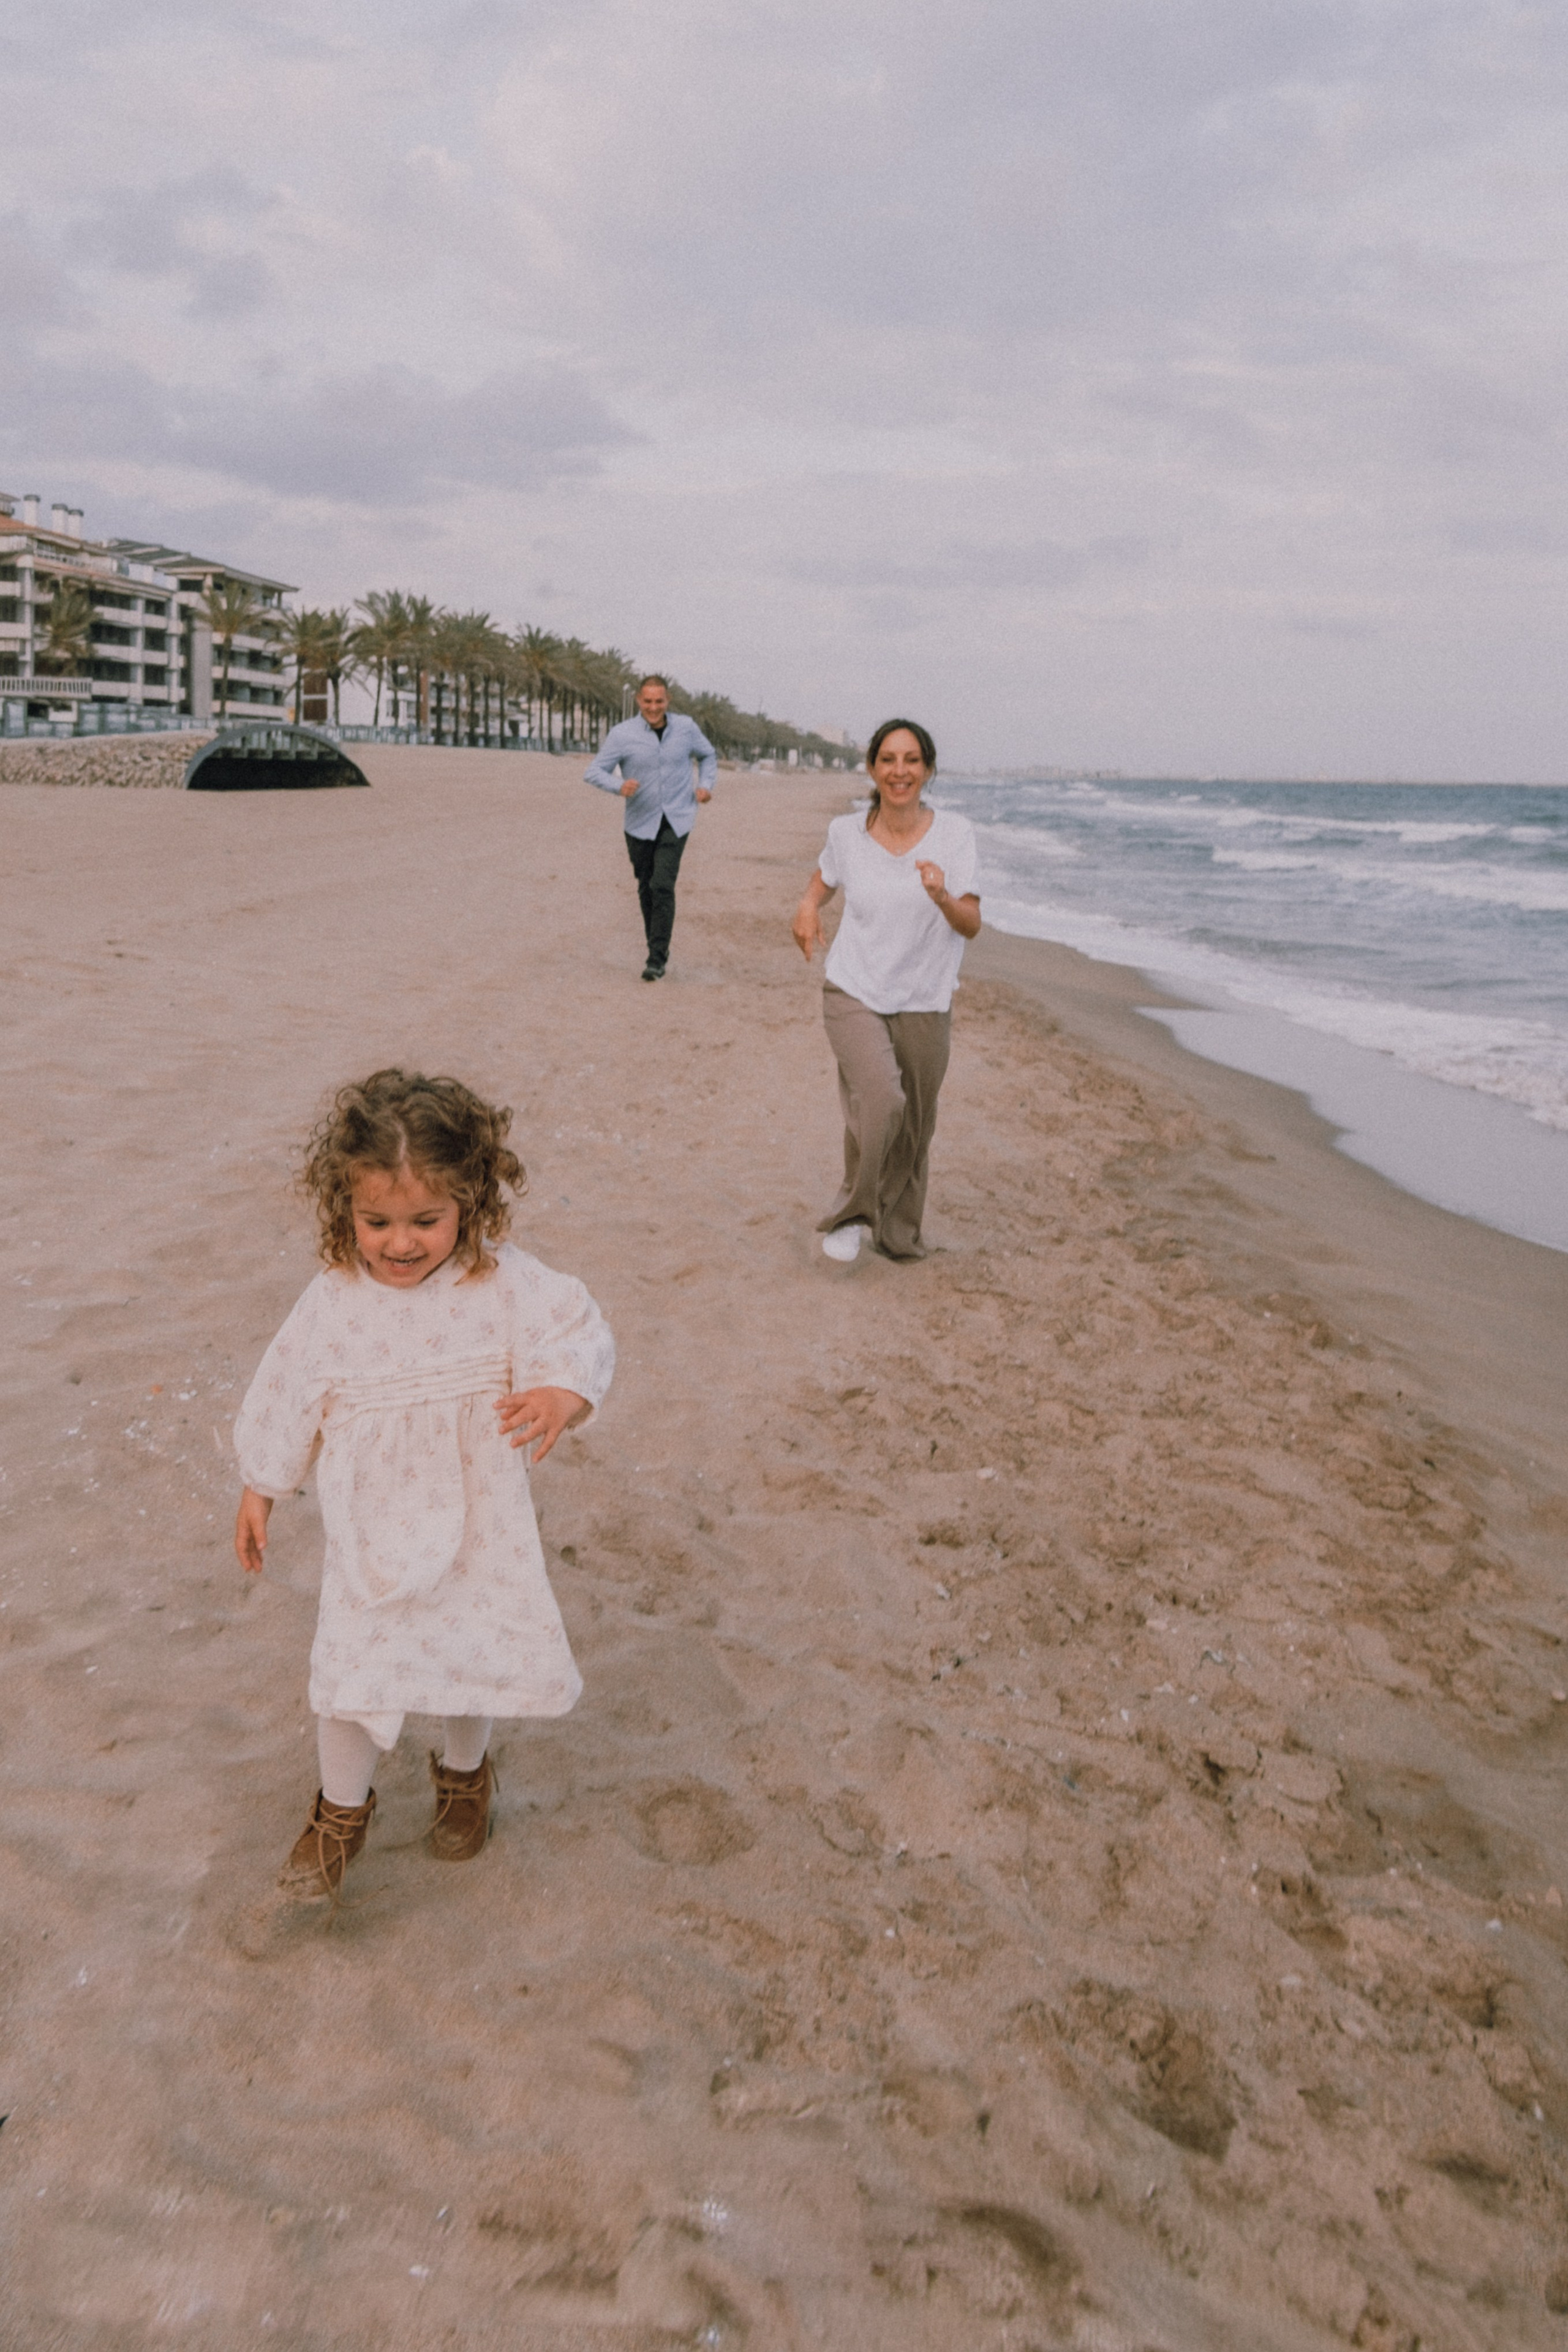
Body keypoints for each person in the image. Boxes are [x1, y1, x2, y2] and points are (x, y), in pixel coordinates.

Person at [232, 1068, 614, 1906]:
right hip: (371, 1532)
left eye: (425, 1222)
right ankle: (340, 1812)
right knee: (349, 1669)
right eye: (376, 1222)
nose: (399, 1243)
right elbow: (286, 1389)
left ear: (470, 1207)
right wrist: (262, 1484)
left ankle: (466, 1776)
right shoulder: (333, 1301)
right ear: (345, 1212)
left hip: (478, 1522)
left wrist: (562, 1394)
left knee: (465, 1649)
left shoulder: (501, 1281)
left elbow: (576, 1329)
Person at [792, 718, 980, 1262]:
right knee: (880, 1100)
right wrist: (807, 907)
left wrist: (943, 895)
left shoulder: (955, 835)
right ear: (873, 768)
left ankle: (899, 1234)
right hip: (854, 988)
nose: (901, 771)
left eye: (912, 760)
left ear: (928, 770)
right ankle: (852, 1213)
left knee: (915, 1128)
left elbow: (970, 923)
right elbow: (822, 880)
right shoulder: (845, 832)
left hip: (925, 997)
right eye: (889, 760)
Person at [585, 674, 717, 981]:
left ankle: (657, 958)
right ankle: (656, 947)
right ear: (639, 701)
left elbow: (708, 755)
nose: (653, 708)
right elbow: (593, 771)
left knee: (662, 885)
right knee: (646, 887)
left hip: (678, 818)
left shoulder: (686, 728)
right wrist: (618, 786)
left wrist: (706, 785)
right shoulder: (622, 734)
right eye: (648, 701)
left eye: (659, 701)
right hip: (639, 823)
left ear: (668, 701)